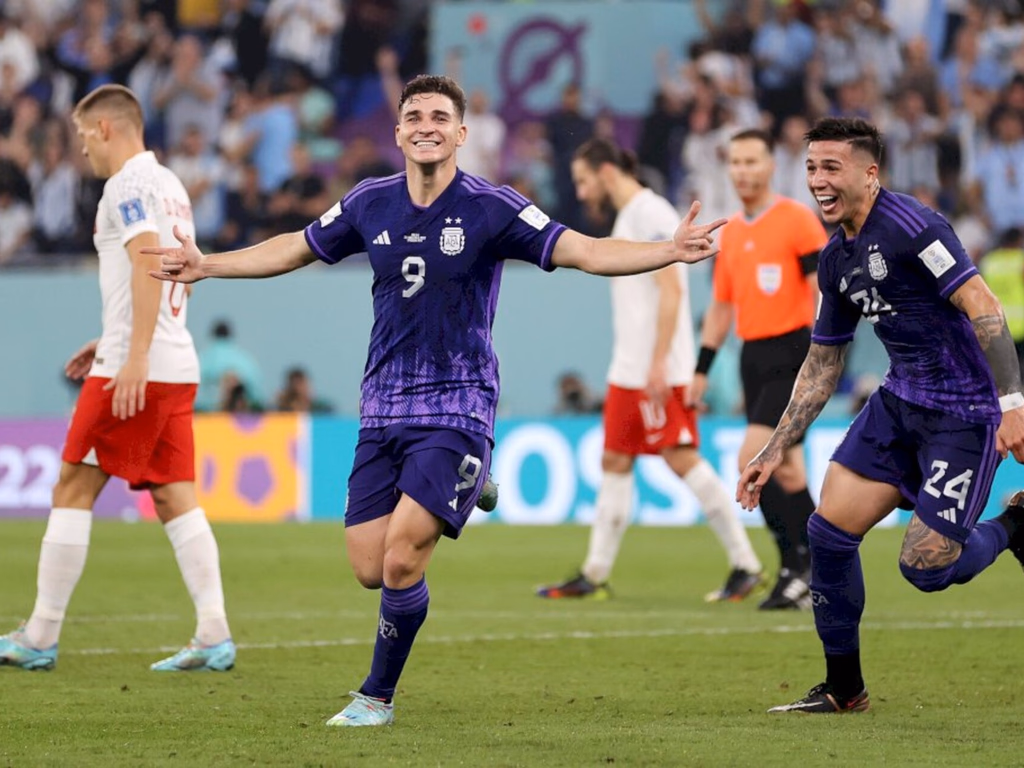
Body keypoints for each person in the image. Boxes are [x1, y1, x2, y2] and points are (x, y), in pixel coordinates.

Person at [147, 75, 726, 727]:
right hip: (383, 405)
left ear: (461, 133)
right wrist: (207, 264)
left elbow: (586, 251)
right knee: (370, 566)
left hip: (458, 404)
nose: (427, 125)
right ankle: (471, 485)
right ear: (398, 132)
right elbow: (295, 247)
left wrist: (668, 251)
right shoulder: (369, 202)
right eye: (415, 115)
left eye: (440, 116)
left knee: (401, 558)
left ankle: (376, 696)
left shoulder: (493, 207)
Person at [738, 117, 1024, 714]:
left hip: (964, 411)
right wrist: (774, 448)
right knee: (827, 533)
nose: (818, 180)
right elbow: (823, 364)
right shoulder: (836, 257)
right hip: (898, 404)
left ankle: (1016, 526)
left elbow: (983, 304)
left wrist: (1012, 404)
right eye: (811, 167)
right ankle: (844, 690)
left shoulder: (915, 227)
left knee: (926, 567)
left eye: (831, 167)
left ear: (870, 173)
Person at [0, 85, 235, 672]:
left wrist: (131, 354)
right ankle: (214, 632)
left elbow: (148, 261)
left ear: (105, 128)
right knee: (174, 494)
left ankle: (39, 635)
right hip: (175, 362)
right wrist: (115, 337)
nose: (82, 150)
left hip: (139, 366)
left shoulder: (127, 184)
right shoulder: (171, 184)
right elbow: (173, 272)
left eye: (84, 136)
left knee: (72, 486)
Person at [537, 138, 763, 602]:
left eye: (583, 181)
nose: (580, 193)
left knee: (680, 457)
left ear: (606, 172)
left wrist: (659, 362)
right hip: (630, 369)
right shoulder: (628, 216)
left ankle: (746, 564)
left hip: (657, 368)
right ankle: (594, 574)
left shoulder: (651, 212)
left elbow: (672, 289)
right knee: (615, 460)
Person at [689, 128, 828, 610]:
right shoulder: (732, 233)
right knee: (787, 472)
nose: (743, 171)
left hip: (795, 353)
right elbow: (721, 307)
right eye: (736, 162)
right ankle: (817, 570)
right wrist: (702, 368)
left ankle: (795, 566)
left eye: (752, 161)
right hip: (754, 357)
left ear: (770, 166)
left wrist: (824, 353)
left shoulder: (797, 220)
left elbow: (822, 290)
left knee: (752, 460)